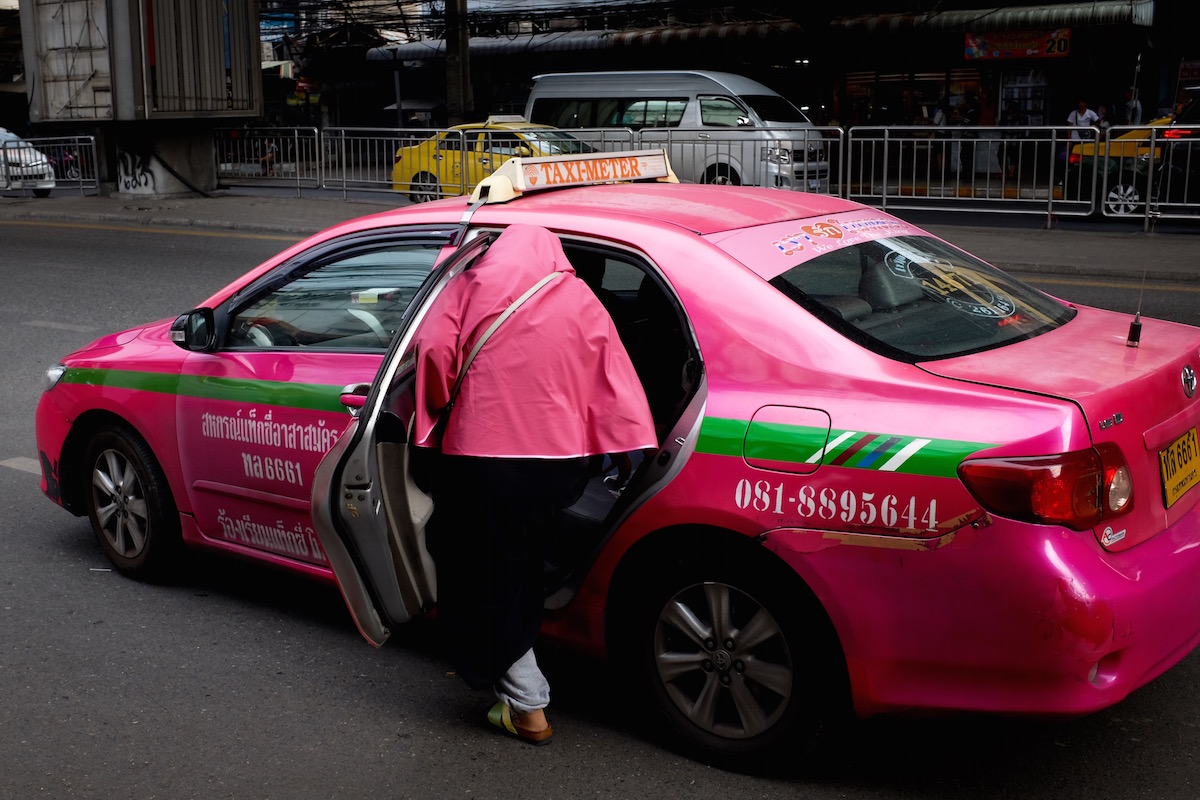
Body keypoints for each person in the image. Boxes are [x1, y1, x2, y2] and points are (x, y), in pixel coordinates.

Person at [411, 224, 657, 746]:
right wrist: (623, 446)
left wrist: (433, 414)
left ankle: (529, 706)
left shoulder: (467, 286)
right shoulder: (580, 297)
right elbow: (612, 376)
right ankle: (519, 683)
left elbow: (431, 349)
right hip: (560, 466)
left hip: (484, 460)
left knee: (485, 578)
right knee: (520, 564)